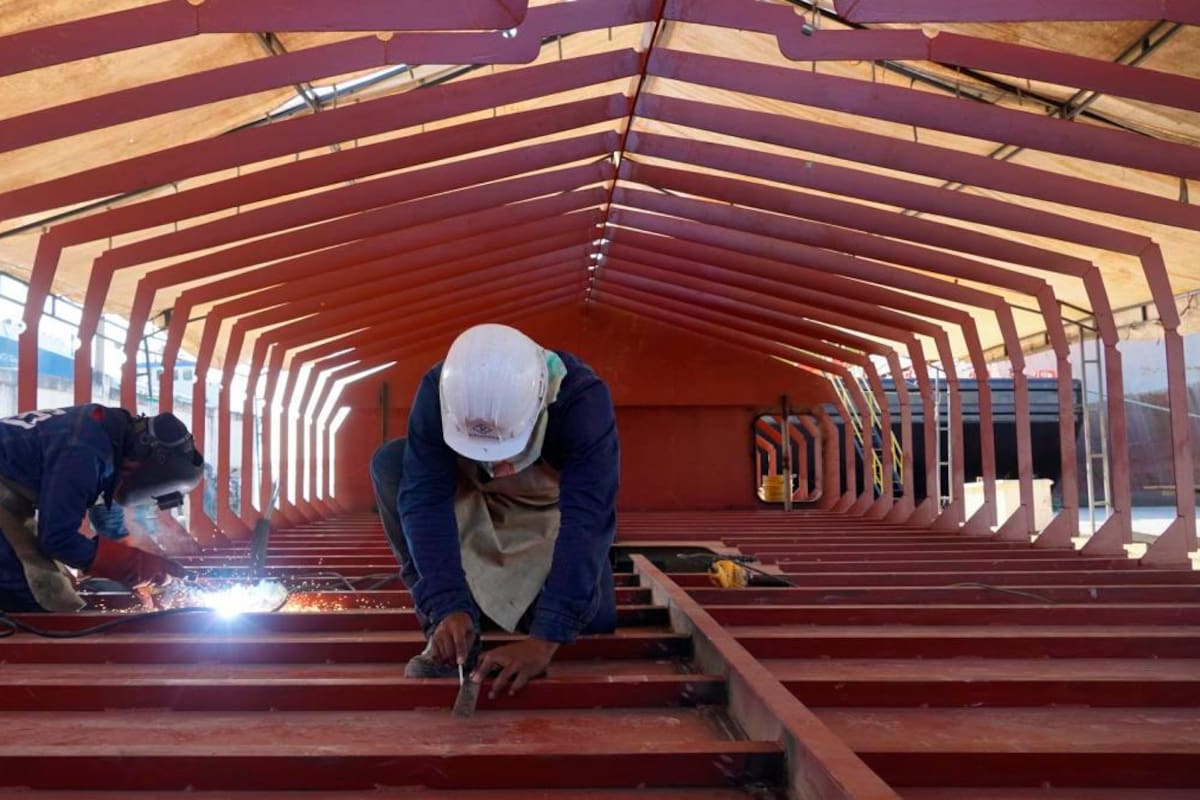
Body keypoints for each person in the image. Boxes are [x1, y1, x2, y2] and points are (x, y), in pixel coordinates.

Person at [371, 323, 619, 697]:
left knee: (592, 615)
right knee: (390, 464)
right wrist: (445, 603)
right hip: (472, 501)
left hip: (545, 513)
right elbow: (424, 501)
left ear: (538, 402)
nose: (501, 468)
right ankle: (451, 632)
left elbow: (588, 517)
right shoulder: (438, 391)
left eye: (509, 450)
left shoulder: (582, 398)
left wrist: (546, 639)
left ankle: (521, 612)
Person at [0, 405, 205, 612]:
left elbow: (106, 513)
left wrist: (137, 563)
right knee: (39, 592)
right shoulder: (83, 452)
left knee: (61, 587)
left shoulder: (110, 436)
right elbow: (57, 539)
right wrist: (132, 567)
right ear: (141, 467)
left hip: (7, 496)